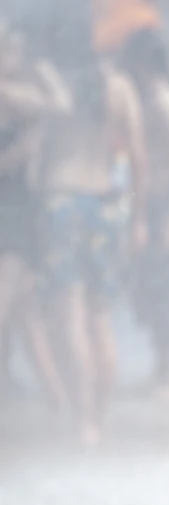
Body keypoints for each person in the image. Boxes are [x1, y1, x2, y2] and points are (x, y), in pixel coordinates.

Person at [38, 9, 147, 445]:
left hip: (62, 200)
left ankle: (82, 419)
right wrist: (139, 218)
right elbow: (138, 157)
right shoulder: (118, 87)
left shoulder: (53, 81)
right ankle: (98, 417)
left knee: (70, 317)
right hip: (105, 203)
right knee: (101, 318)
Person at [0, 19, 69, 414]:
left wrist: (42, 74)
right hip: (9, 210)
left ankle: (57, 399)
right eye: (11, 50)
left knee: (19, 307)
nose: (18, 56)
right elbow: (56, 107)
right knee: (23, 312)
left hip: (16, 214)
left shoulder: (20, 93)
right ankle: (57, 400)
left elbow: (60, 106)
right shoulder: (12, 94)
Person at [124, 28, 169, 400]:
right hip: (151, 203)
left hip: (168, 205)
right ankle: (162, 367)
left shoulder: (166, 101)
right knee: (152, 289)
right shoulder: (145, 99)